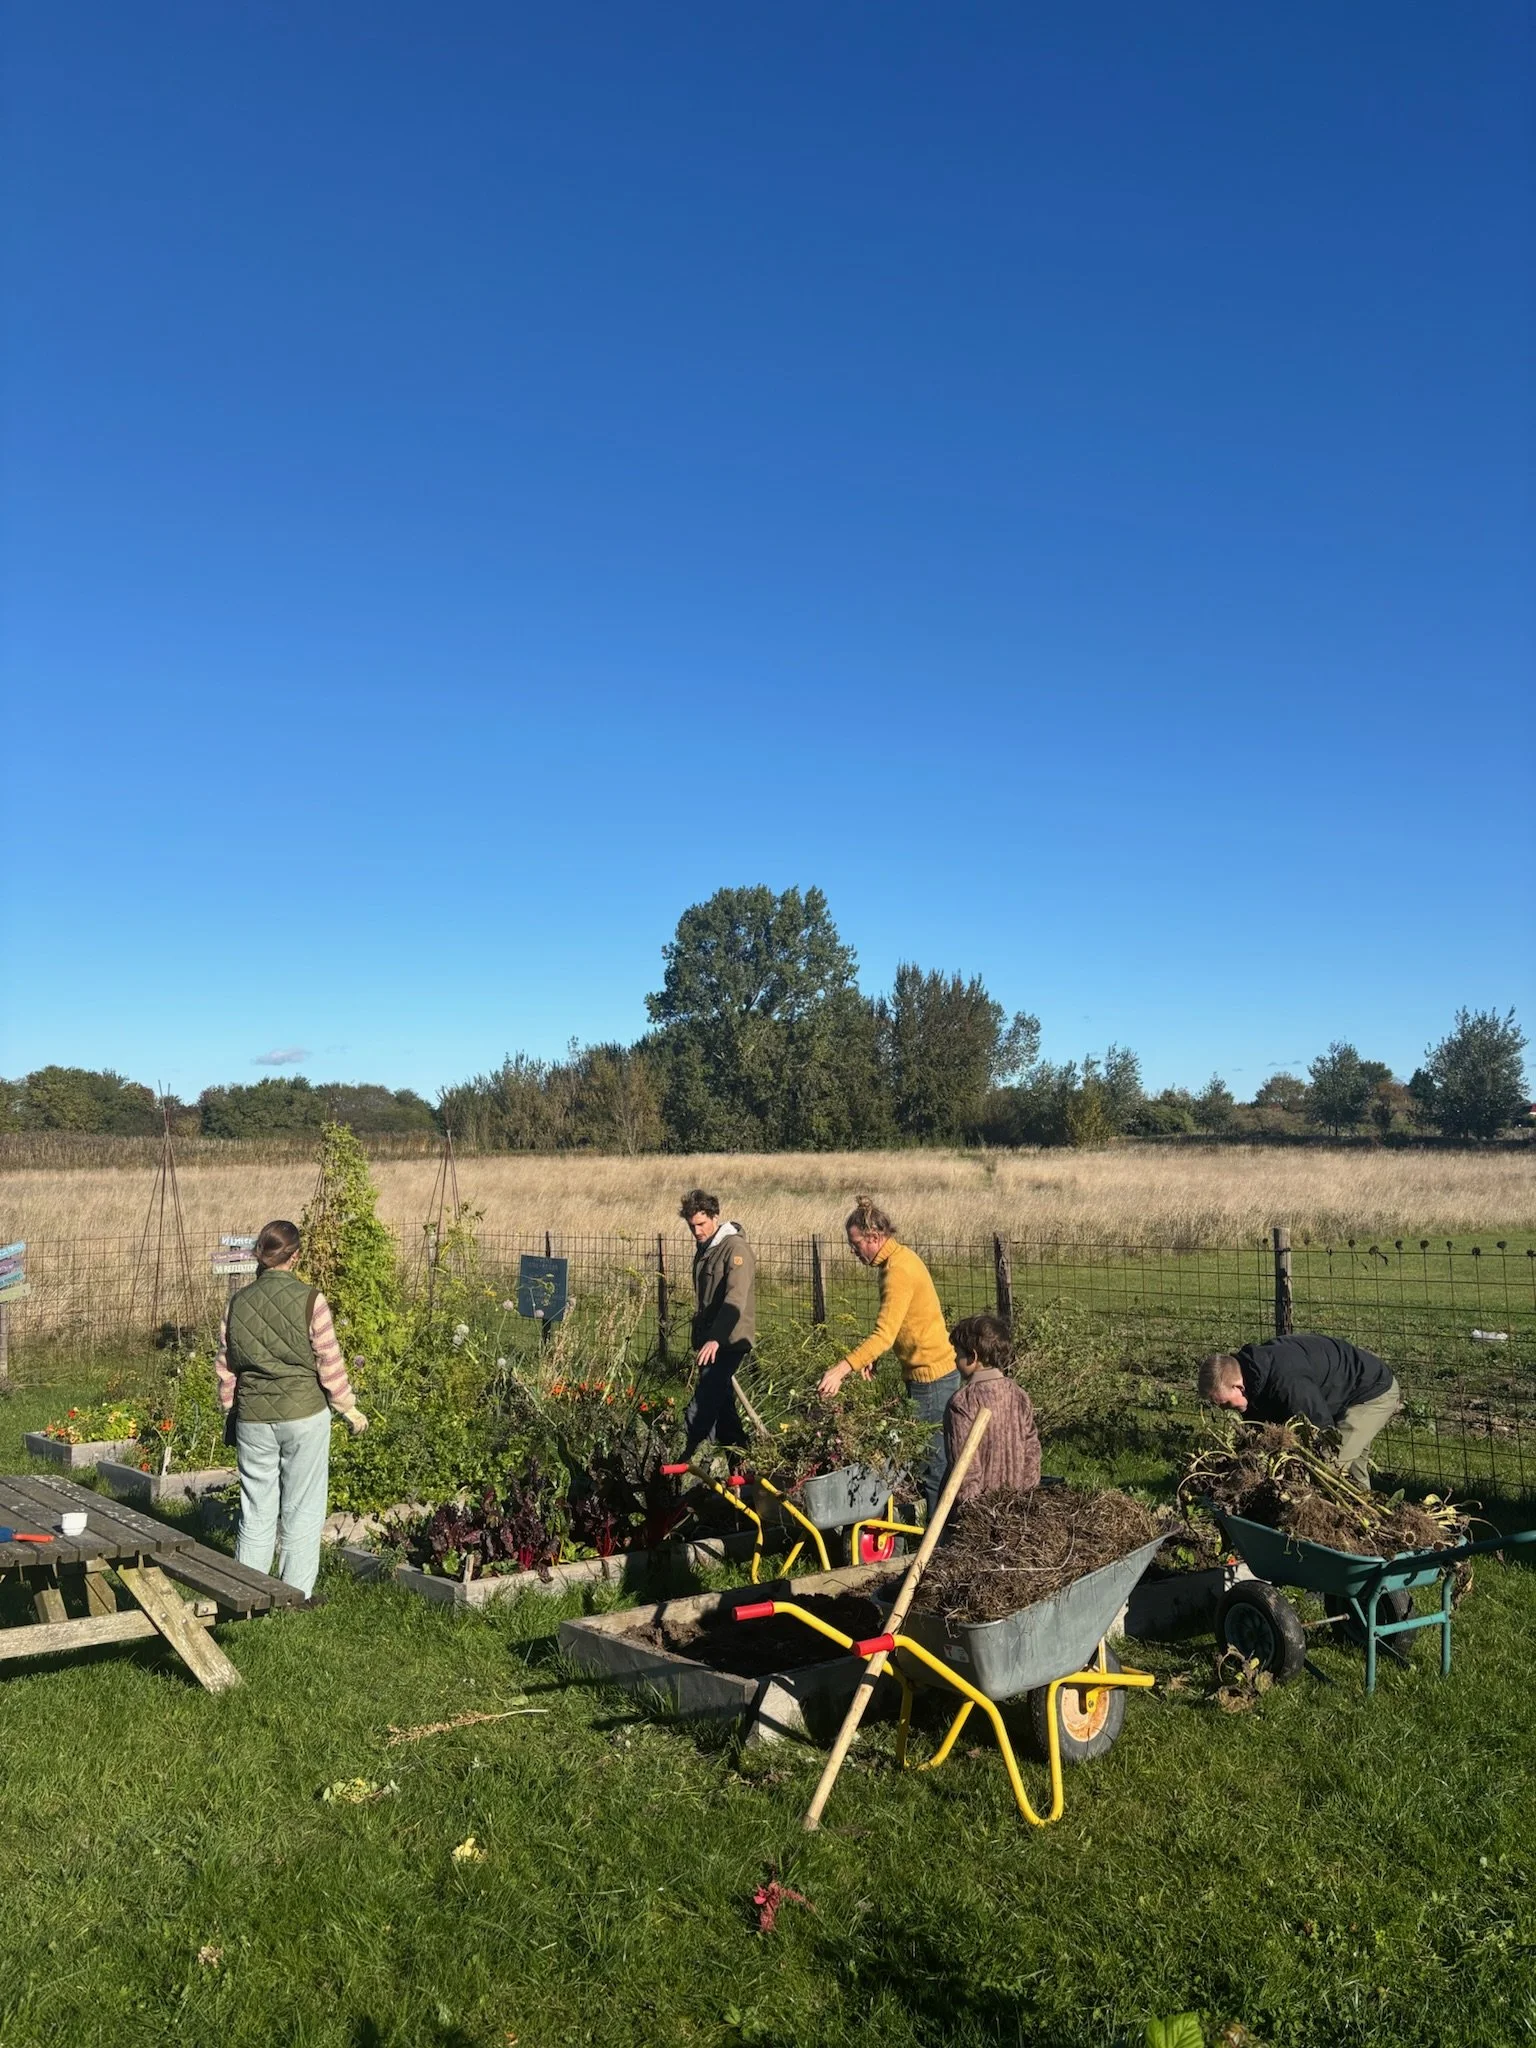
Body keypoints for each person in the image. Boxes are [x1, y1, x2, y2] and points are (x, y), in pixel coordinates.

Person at [214, 1219, 368, 1598]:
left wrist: (232, 1408)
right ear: (295, 1257)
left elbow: (225, 1365)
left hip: (252, 1417)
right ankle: (293, 1593)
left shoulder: (237, 1303)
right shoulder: (311, 1300)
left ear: (261, 1258)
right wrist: (348, 1407)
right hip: (304, 1415)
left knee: (256, 1506)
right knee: (302, 1505)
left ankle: (247, 1591)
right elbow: (329, 1363)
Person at [816, 1197, 958, 1520]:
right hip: (924, 1375)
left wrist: (841, 1370)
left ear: (875, 1238)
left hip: (933, 1379)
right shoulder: (896, 1261)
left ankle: (939, 1544)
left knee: (934, 1467)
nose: (853, 1252)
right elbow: (901, 1326)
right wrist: (876, 1356)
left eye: (855, 1244)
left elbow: (884, 1334)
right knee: (922, 1460)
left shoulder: (898, 1270)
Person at [1197, 1331, 1402, 1489]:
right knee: (1353, 1475)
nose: (1225, 1409)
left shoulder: (1286, 1383)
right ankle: (1364, 1532)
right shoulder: (1255, 1376)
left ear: (1238, 1386)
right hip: (1340, 1392)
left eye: (1224, 1403)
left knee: (1327, 1473)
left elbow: (1322, 1432)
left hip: (1371, 1391)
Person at [680, 1188, 756, 1456]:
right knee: (724, 1414)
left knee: (701, 1408)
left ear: (715, 1216)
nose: (697, 1231)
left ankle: (686, 1462)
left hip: (730, 1340)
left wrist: (715, 1338)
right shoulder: (706, 1249)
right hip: (710, 1342)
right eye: (692, 1226)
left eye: (701, 1224)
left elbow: (735, 1298)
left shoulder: (735, 1249)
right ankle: (746, 1471)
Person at [943, 1312, 1042, 1503]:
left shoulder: (963, 1402)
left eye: (958, 1353)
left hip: (975, 1515)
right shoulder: (1019, 1395)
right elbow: (1032, 1454)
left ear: (973, 1356)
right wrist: (1023, 1500)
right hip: (1015, 1512)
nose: (955, 1360)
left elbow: (964, 1470)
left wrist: (973, 1511)